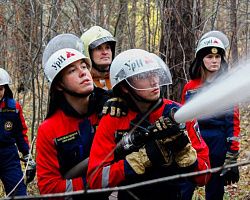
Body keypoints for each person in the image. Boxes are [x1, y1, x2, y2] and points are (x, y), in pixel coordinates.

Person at [87, 49, 211, 200]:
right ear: (125, 87)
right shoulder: (113, 119)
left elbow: (204, 178)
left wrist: (185, 153)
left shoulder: (179, 114)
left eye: (155, 73)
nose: (154, 81)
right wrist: (139, 160)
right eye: (143, 76)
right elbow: (95, 180)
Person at [36, 33, 111, 199]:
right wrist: (94, 182)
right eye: (72, 70)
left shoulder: (110, 109)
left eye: (84, 67)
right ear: (60, 85)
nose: (83, 73)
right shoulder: (49, 130)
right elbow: (49, 188)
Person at [181, 32, 240, 200]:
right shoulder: (190, 87)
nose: (214, 60)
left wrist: (232, 155)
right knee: (184, 188)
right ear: (201, 59)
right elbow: (184, 121)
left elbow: (233, 123)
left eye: (217, 56)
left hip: (218, 144)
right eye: (209, 56)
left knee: (215, 191)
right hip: (193, 145)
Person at [0, 68, 36, 196]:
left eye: (0, 89)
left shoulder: (13, 108)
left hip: (9, 156)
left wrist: (27, 155)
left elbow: (20, 133)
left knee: (19, 193)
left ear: (5, 89)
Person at [80, 25, 116, 90]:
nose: (105, 52)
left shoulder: (120, 80)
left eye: (107, 47)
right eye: (98, 48)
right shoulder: (81, 83)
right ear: (88, 53)